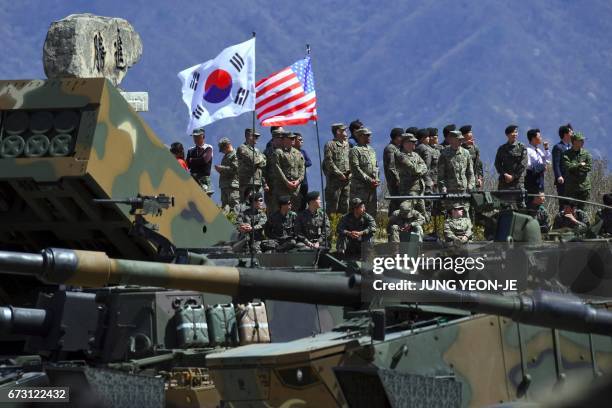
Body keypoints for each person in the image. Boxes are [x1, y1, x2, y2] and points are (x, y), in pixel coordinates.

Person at [437, 130, 474, 211]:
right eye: (457, 140)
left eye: (460, 140)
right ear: (451, 140)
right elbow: (440, 175)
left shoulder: (466, 153)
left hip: (464, 190)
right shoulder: (444, 154)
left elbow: (470, 172)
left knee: (464, 212)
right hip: (450, 190)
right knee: (451, 213)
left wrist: (470, 185)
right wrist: (443, 188)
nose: (459, 142)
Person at [270, 132, 305, 213]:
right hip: (282, 188)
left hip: (295, 189)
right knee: (279, 211)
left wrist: (298, 181)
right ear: (284, 140)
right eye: (291, 138)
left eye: (293, 138)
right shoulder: (278, 152)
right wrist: (286, 182)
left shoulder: (298, 153)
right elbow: (277, 169)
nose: (293, 140)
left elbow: (302, 169)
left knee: (294, 211)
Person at [349, 127, 380, 217]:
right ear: (360, 136)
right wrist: (369, 179)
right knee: (359, 210)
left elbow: (376, 166)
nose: (369, 137)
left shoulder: (372, 150)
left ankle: (370, 230)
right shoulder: (355, 150)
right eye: (367, 135)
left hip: (372, 187)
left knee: (372, 211)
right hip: (360, 187)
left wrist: (376, 179)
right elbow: (355, 168)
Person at [397, 133, 428, 217]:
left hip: (419, 189)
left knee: (422, 214)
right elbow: (414, 170)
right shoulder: (401, 156)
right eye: (412, 142)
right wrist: (419, 169)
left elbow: (425, 167)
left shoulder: (415, 155)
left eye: (415, 142)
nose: (415, 144)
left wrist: (419, 170)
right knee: (409, 213)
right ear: (405, 143)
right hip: (408, 190)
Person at [323, 123, 351, 216]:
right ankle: (331, 229)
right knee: (332, 208)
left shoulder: (347, 145)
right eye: (344, 130)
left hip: (346, 181)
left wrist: (350, 174)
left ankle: (341, 229)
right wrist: (339, 174)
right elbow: (328, 162)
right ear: (338, 131)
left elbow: (350, 160)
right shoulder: (330, 144)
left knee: (345, 207)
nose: (346, 132)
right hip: (334, 182)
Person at [562, 132, 592, 209]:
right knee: (570, 210)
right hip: (571, 188)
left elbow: (589, 167)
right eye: (580, 140)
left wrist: (575, 167)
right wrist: (579, 165)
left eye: (583, 140)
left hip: (584, 187)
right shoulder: (566, 154)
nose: (583, 142)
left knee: (583, 211)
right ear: (574, 141)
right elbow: (569, 167)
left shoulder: (586, 154)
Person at [237, 129, 267, 201]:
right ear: (248, 136)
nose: (256, 139)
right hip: (247, 182)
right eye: (254, 136)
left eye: (257, 137)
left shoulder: (257, 150)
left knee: (258, 204)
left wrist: (260, 160)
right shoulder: (242, 148)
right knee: (246, 205)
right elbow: (253, 161)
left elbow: (264, 162)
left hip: (257, 182)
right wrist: (260, 158)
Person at [494, 125, 527, 191]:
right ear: (507, 135)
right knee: (503, 200)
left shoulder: (522, 147)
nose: (515, 134)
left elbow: (523, 164)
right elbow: (497, 164)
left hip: (517, 182)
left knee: (518, 201)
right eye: (513, 132)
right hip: (504, 181)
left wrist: (513, 177)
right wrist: (505, 174)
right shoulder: (502, 148)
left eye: (516, 132)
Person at [215, 137, 240, 213]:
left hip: (232, 186)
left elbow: (235, 169)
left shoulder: (235, 155)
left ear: (227, 145)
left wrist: (222, 168)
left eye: (222, 149)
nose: (222, 151)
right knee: (225, 208)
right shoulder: (226, 156)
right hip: (224, 185)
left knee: (234, 207)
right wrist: (220, 170)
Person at [384, 128, 404, 216]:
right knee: (396, 202)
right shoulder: (390, 149)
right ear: (396, 137)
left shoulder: (397, 148)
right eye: (401, 137)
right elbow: (391, 167)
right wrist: (397, 179)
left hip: (398, 181)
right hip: (394, 182)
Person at [524, 128, 551, 195]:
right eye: (539, 137)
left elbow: (546, 159)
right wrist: (541, 167)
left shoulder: (538, 150)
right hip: (532, 179)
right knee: (535, 198)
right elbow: (528, 165)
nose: (541, 138)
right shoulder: (528, 150)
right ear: (533, 138)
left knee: (541, 196)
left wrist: (546, 149)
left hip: (540, 177)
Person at [552, 125, 573, 207]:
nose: (572, 134)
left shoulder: (570, 147)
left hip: (571, 180)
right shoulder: (558, 147)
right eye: (571, 132)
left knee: (571, 203)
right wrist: (559, 176)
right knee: (564, 203)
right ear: (565, 134)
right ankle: (562, 219)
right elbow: (556, 164)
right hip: (563, 180)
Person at [264, 127, 284, 209]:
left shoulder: (286, 150)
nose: (282, 139)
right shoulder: (267, 151)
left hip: (284, 185)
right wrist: (265, 184)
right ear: (274, 138)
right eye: (280, 137)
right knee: (272, 209)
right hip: (271, 186)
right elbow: (263, 170)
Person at [460, 125, 483, 190]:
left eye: (471, 132)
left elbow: (478, 164)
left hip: (473, 180)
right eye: (469, 132)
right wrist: (465, 144)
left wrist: (479, 178)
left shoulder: (475, 148)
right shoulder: (459, 148)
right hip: (461, 180)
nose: (471, 134)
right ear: (464, 135)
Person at [294, 133, 312, 211]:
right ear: (294, 140)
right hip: (293, 181)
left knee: (303, 202)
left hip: (304, 182)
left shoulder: (303, 152)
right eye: (299, 140)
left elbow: (309, 162)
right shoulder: (290, 152)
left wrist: (301, 163)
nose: (302, 141)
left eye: (302, 139)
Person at [414, 128, 435, 195]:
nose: (429, 138)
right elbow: (427, 165)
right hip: (426, 178)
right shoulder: (425, 149)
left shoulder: (416, 147)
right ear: (423, 138)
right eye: (427, 137)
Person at [427, 127, 442, 192]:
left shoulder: (439, 148)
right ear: (430, 138)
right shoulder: (426, 150)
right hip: (432, 180)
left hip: (439, 180)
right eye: (436, 137)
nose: (437, 139)